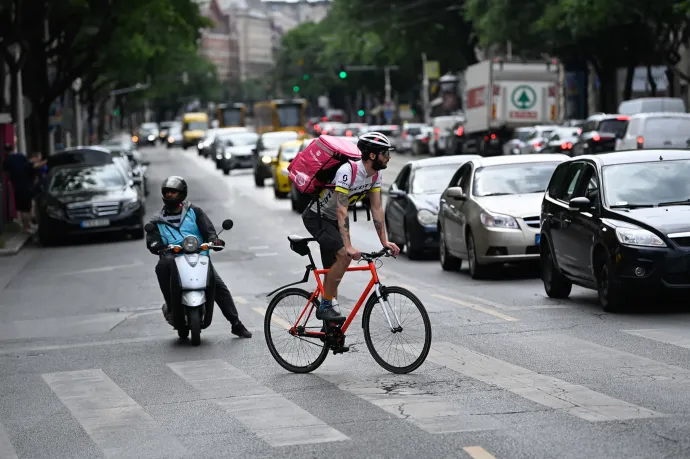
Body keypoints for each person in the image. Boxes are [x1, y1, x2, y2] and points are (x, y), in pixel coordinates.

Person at [302, 132, 401, 322]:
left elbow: (377, 208)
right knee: (344, 256)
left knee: (333, 269)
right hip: (317, 218)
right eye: (385, 153)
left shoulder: (375, 175)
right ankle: (324, 306)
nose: (389, 157)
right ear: (372, 155)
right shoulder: (348, 172)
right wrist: (347, 246)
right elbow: (341, 210)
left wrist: (384, 241)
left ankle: (330, 328)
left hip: (333, 220)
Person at [145, 176, 252, 338]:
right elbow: (153, 240)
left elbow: (209, 231)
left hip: (199, 257)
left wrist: (213, 240)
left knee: (218, 286)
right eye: (166, 193)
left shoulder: (195, 212)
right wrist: (158, 246)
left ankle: (236, 323)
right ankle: (172, 307)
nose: (169, 195)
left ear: (182, 193)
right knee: (161, 267)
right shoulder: (156, 221)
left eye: (173, 192)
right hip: (173, 259)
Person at [2, 144, 34, 233]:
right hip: (28, 185)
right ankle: (28, 225)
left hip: (18, 186)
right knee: (28, 207)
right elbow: (30, 167)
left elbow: (7, 174)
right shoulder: (21, 156)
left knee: (22, 208)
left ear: (5, 151)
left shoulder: (7, 161)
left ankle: (25, 228)